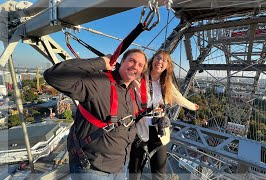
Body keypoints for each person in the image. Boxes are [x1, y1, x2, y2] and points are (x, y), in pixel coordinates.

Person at [44, 49, 147, 180]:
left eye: (140, 65)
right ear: (122, 61)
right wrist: (101, 62)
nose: (135, 67)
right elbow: (54, 76)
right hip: (93, 169)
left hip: (120, 166)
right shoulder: (99, 82)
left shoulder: (132, 91)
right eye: (131, 61)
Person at [128, 50, 199, 180]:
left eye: (165, 60)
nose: (160, 62)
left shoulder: (166, 84)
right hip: (140, 129)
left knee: (160, 171)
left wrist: (192, 106)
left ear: (168, 66)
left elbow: (178, 98)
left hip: (159, 130)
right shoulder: (139, 78)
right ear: (153, 60)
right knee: (135, 169)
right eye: (158, 58)